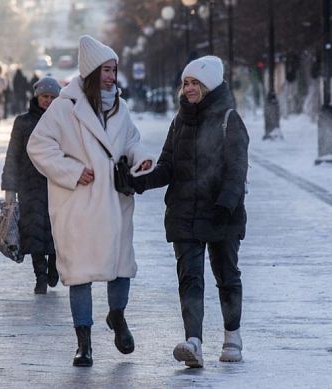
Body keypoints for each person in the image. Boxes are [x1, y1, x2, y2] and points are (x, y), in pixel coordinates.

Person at [26, 35, 154, 367]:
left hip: (113, 199)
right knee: (80, 272)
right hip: (79, 203)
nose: (112, 77)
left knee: (121, 265)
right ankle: (83, 343)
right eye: (106, 70)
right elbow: (38, 146)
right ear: (91, 71)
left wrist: (141, 159)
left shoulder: (120, 107)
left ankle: (118, 316)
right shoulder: (64, 107)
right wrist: (71, 171)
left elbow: (131, 141)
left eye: (114, 70)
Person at [132, 56, 249, 367]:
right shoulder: (179, 121)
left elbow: (237, 170)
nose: (189, 88)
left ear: (209, 85)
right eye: (186, 83)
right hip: (184, 211)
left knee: (226, 276)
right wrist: (138, 181)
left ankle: (232, 337)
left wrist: (225, 204)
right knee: (190, 279)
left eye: (195, 83)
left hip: (222, 212)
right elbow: (168, 166)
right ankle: (194, 341)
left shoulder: (229, 119)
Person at [1, 77, 62, 294]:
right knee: (33, 232)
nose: (48, 101)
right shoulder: (23, 122)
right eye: (45, 96)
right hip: (30, 185)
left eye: (53, 97)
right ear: (37, 97)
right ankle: (41, 276)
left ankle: (55, 266)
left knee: (57, 230)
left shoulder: (64, 122)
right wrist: (10, 187)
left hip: (57, 184)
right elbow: (13, 155)